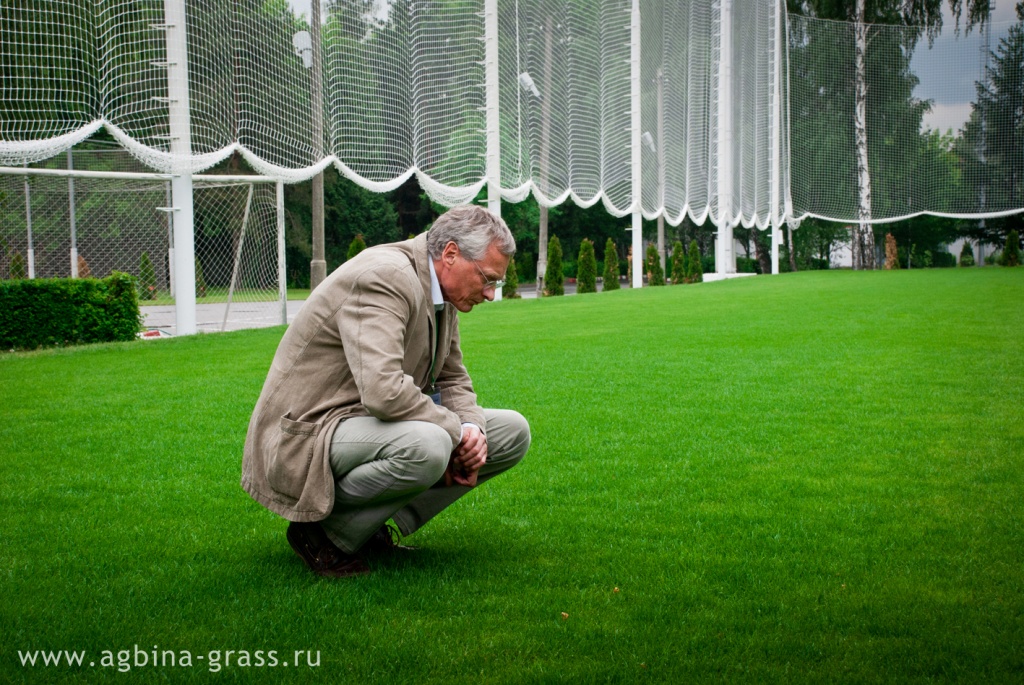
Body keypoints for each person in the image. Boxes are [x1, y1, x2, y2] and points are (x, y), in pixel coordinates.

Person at [242, 205, 531, 578]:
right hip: (306, 436)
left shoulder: (441, 290)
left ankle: (370, 529)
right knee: (430, 444)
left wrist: (472, 428)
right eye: (488, 279)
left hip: (360, 425)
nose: (491, 294)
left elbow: (452, 379)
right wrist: (456, 432)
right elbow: (383, 391)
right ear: (451, 255)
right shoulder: (384, 276)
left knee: (510, 433)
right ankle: (321, 535)